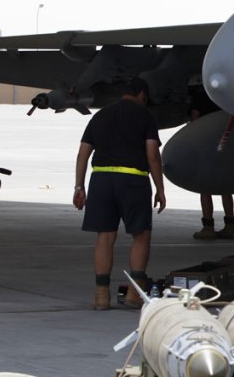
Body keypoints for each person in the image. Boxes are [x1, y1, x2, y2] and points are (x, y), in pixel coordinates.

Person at [73, 78, 166, 310]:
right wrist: (160, 188)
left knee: (105, 237)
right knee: (140, 235)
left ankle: (101, 295)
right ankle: (134, 293)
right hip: (133, 180)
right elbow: (153, 154)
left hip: (101, 179)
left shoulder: (101, 115)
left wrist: (79, 186)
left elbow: (83, 153)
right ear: (142, 95)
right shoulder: (145, 117)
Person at [187, 86, 234, 240]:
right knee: (225, 188)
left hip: (205, 146)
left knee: (205, 188)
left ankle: (208, 227)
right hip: (225, 145)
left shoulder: (200, 97)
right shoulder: (224, 95)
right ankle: (230, 227)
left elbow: (195, 119)